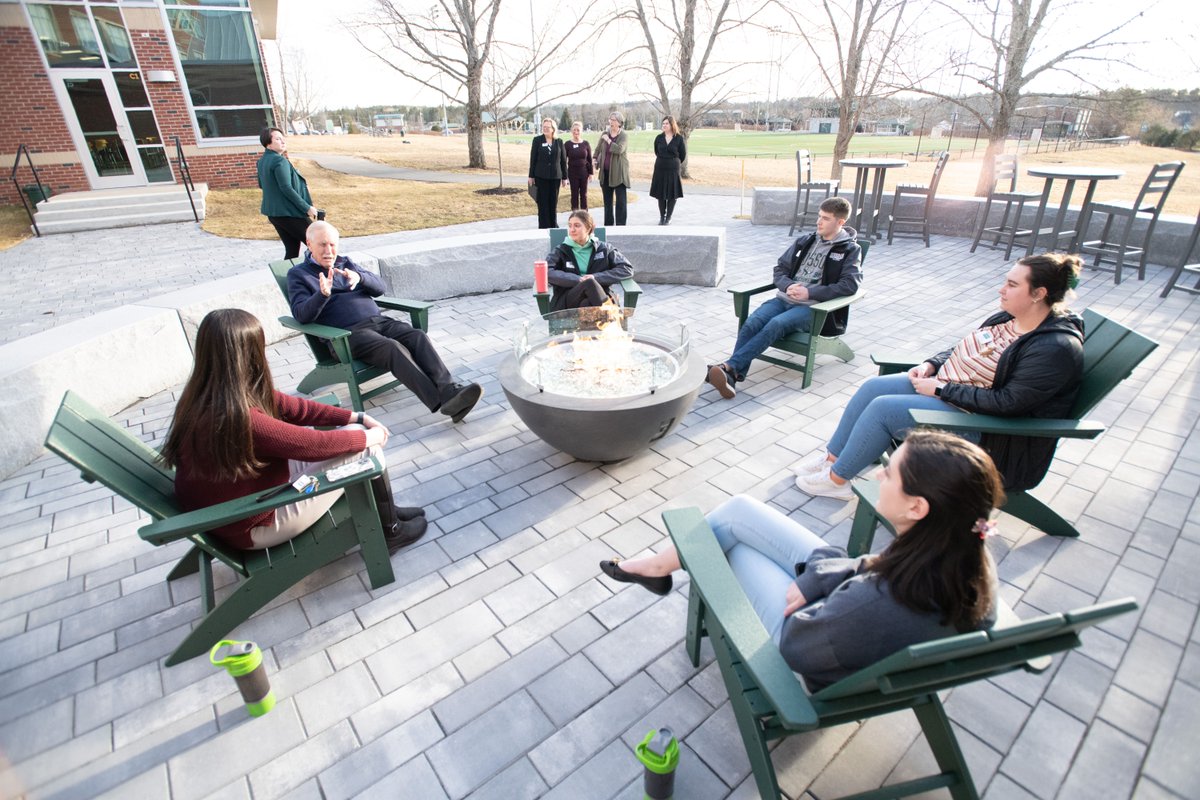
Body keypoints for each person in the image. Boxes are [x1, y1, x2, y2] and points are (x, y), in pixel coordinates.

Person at [599, 430, 1001, 690]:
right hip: (846, 619)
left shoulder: (877, 601)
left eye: (890, 473)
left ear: (917, 507)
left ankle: (659, 568)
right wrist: (818, 578)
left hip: (808, 639)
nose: (878, 476)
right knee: (739, 511)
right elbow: (869, 566)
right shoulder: (963, 552)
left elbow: (799, 649)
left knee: (730, 547)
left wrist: (815, 597)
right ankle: (657, 567)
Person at [793, 252, 1084, 501]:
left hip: (987, 431)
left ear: (1039, 294)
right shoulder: (1010, 318)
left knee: (883, 409)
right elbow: (966, 348)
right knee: (873, 387)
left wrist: (942, 391)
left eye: (1011, 284)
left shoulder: (1054, 348)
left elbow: (1009, 402)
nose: (1001, 290)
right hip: (955, 393)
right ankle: (832, 459)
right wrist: (932, 364)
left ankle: (837, 480)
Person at [161, 309, 427, 554]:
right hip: (254, 523)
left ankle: (387, 512)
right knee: (364, 447)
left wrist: (354, 415)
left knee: (355, 431)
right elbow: (312, 445)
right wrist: (372, 437)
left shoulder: (209, 392)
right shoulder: (237, 417)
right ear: (250, 354)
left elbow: (294, 407)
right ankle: (390, 530)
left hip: (243, 501)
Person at [287, 221, 483, 423]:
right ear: (309, 245)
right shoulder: (299, 275)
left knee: (416, 336)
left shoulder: (346, 263)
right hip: (346, 336)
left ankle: (449, 389)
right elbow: (301, 314)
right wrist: (322, 294)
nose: (329, 250)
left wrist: (360, 277)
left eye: (333, 245)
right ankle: (443, 402)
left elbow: (380, 287)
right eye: (322, 245)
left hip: (378, 322)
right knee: (392, 348)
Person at [707, 197, 861, 400]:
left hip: (812, 308)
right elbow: (780, 269)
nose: (818, 222)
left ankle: (729, 366)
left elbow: (850, 284)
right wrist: (788, 285)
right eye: (819, 216)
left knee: (775, 324)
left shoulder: (849, 249)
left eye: (825, 218)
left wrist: (810, 293)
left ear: (840, 222)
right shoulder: (806, 241)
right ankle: (733, 375)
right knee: (752, 323)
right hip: (784, 299)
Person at [544, 210, 634, 311]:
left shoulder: (604, 249)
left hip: (597, 296)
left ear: (588, 228)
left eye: (577, 226)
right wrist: (577, 279)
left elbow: (626, 268)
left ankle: (604, 317)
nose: (572, 230)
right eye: (570, 226)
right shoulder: (561, 251)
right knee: (589, 283)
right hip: (569, 298)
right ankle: (611, 318)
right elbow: (546, 272)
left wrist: (596, 277)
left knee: (587, 303)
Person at [256, 127, 318, 260]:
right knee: (317, 245)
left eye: (283, 138)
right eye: (278, 139)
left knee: (292, 250)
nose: (283, 142)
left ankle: (290, 279)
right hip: (290, 213)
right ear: (268, 143)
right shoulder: (279, 161)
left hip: (274, 214)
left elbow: (262, 185)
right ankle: (315, 277)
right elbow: (286, 188)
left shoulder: (262, 161)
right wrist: (307, 208)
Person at [528, 118, 569, 229]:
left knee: (553, 203)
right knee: (542, 204)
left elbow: (563, 161)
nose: (545, 129)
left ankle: (553, 226)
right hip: (540, 177)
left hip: (555, 177)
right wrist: (530, 175)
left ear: (553, 129)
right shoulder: (537, 140)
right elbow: (533, 159)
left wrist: (565, 177)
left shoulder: (559, 142)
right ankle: (543, 227)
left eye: (548, 127)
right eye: (544, 127)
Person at [593, 112, 630, 226]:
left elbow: (619, 149)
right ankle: (608, 226)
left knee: (621, 203)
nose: (611, 122)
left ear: (619, 122)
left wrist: (609, 140)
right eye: (610, 119)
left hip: (619, 173)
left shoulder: (623, 136)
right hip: (605, 173)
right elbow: (598, 149)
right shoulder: (604, 134)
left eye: (613, 120)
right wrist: (594, 159)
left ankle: (620, 227)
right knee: (607, 203)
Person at [649, 115, 686, 225]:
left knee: (672, 194)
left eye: (666, 123)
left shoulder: (679, 138)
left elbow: (682, 155)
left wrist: (674, 162)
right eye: (663, 123)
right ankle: (662, 216)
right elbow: (656, 151)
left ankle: (668, 217)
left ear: (672, 125)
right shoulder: (659, 138)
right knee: (661, 194)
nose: (664, 125)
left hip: (673, 170)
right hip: (660, 168)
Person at [565, 121, 593, 211]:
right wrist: (565, 176)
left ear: (581, 131)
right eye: (574, 130)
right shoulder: (567, 144)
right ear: (571, 131)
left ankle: (585, 215)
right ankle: (575, 214)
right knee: (574, 195)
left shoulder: (586, 144)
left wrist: (591, 173)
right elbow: (563, 161)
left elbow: (589, 159)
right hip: (572, 173)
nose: (576, 132)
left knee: (584, 195)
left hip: (584, 173)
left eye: (578, 130)